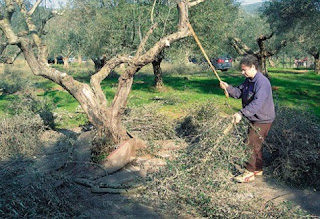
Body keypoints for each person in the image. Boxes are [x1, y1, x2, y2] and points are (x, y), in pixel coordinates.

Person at [220, 55, 275, 183]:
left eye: (244, 69)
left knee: (249, 144)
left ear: (253, 67)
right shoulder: (249, 80)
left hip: (263, 119)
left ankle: (248, 173)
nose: (242, 72)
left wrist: (241, 113)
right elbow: (239, 93)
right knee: (256, 144)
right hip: (255, 118)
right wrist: (227, 88)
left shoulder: (262, 83)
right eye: (242, 69)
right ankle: (257, 169)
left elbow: (257, 103)